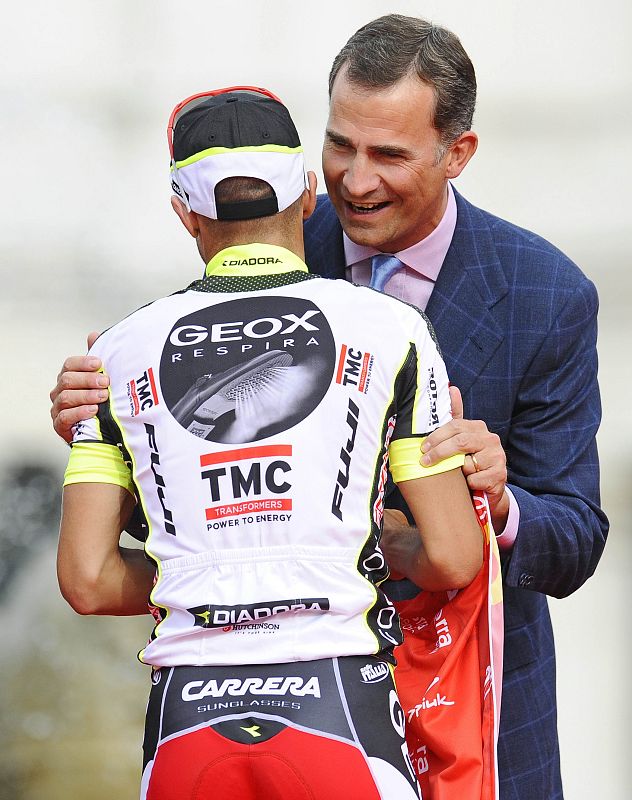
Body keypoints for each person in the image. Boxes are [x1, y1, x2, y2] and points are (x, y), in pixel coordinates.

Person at [50, 15, 609, 799]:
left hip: (467, 715)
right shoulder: (267, 227)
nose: (355, 179)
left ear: (459, 153)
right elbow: (191, 479)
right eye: (340, 146)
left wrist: (501, 502)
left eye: (388, 155)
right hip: (282, 716)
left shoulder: (548, 295)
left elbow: (578, 534)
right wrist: (99, 423)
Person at [56, 86, 483, 800]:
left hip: (186, 722)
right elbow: (452, 555)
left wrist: (203, 575)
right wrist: (346, 552)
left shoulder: (116, 353)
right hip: (341, 707)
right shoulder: (391, 330)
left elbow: (88, 579)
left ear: (184, 211)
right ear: (310, 194)